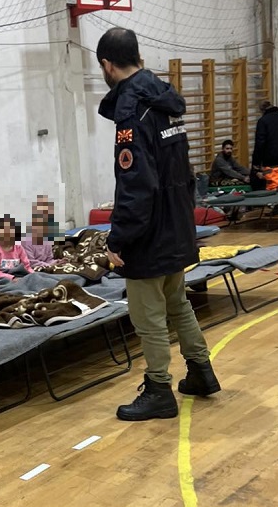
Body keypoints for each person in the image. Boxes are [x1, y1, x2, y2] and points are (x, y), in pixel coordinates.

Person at [96, 28, 221, 422]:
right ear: (139, 58)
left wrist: (118, 237)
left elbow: (136, 183)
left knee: (147, 316)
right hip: (177, 224)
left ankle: (158, 390)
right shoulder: (164, 99)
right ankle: (201, 371)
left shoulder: (131, 109)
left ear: (107, 65)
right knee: (177, 303)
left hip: (149, 232)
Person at [251, 100, 278, 192]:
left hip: (270, 160)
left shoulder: (263, 121)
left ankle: (275, 200)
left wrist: (256, 163)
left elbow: (260, 143)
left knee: (272, 185)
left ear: (262, 110)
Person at [0, 215, 34, 280]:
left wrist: (34, 275)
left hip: (20, 276)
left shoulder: (18, 247)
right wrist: (13, 278)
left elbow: (27, 267)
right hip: (2, 278)